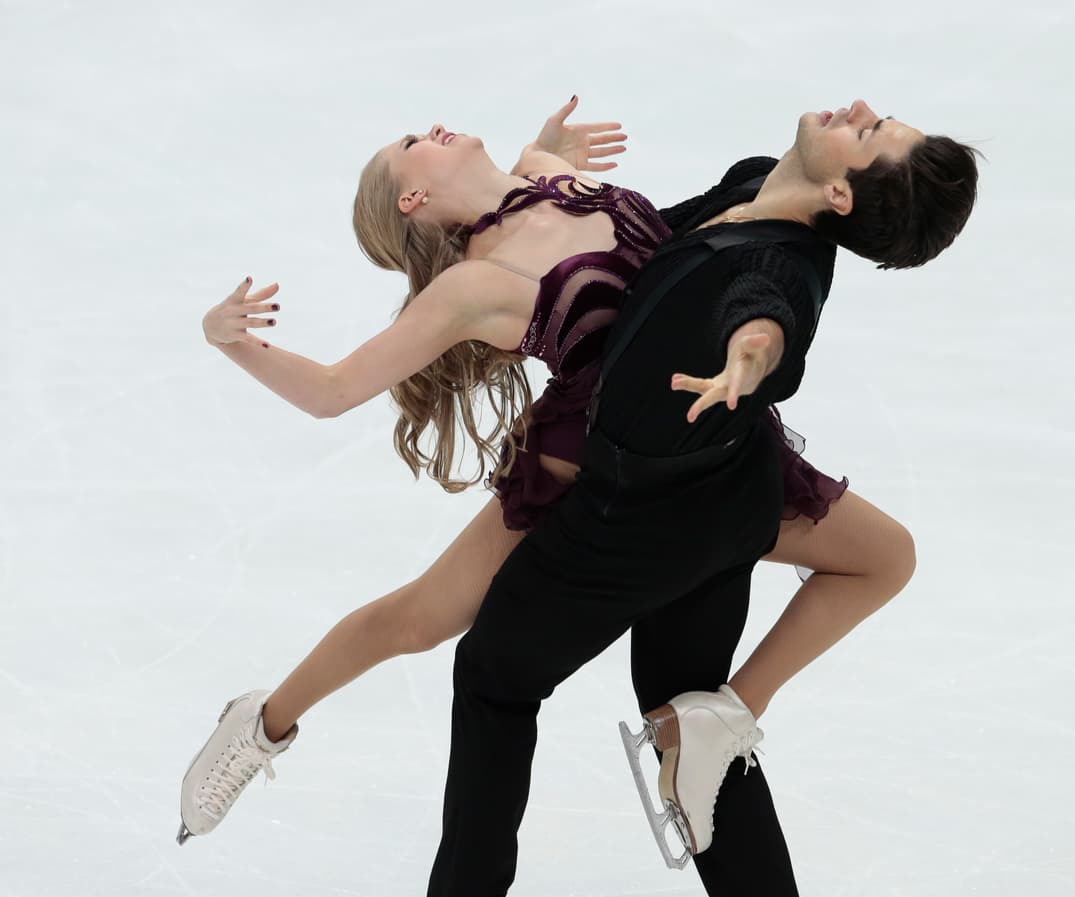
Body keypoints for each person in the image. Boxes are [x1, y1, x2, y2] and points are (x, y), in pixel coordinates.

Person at [176, 97, 967, 865]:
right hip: (584, 464)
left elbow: (731, 269)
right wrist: (231, 343)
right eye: (413, 141)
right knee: (419, 617)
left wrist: (546, 146)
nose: (433, 126)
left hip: (701, 443)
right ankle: (260, 723)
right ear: (415, 196)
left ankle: (720, 723)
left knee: (880, 556)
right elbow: (333, 390)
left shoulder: (544, 171)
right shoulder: (470, 288)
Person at [421, 99, 979, 896]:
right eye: (878, 116)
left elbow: (764, 314)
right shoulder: (756, 180)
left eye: (867, 132)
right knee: (687, 712)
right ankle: (720, 727)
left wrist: (749, 358)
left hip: (644, 514)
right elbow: (636, 250)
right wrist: (534, 180)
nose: (857, 109)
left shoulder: (784, 265)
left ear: (842, 198)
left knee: (492, 675)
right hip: (720, 486)